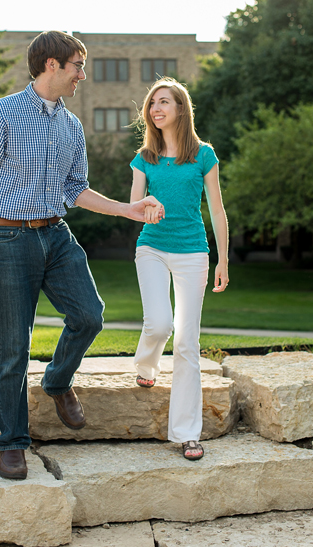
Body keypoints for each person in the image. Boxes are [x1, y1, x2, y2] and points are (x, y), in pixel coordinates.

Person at [0, 31, 164, 481]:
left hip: (56, 234)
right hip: (7, 239)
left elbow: (75, 189)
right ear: (51, 65)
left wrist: (127, 209)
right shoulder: (2, 114)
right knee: (12, 347)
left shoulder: (71, 125)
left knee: (90, 315)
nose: (82, 75)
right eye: (76, 65)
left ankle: (56, 381)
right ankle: (12, 443)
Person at [128, 77, 229, 461]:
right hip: (152, 248)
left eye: (164, 101)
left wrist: (223, 258)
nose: (156, 108)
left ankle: (187, 433)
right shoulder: (145, 158)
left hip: (193, 253)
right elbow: (134, 205)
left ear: (180, 109)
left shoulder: (204, 155)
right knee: (159, 323)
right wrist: (148, 204)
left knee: (187, 341)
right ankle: (146, 365)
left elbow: (217, 210)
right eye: (153, 103)